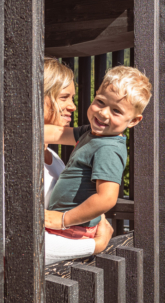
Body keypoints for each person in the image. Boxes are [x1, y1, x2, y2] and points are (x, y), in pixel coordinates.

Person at [43, 66, 152, 237]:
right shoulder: (91, 133)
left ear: (133, 121)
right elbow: (56, 133)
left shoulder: (108, 148)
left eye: (116, 111)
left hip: (72, 227)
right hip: (67, 224)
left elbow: (106, 198)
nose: (103, 113)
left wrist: (64, 219)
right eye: (100, 102)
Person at [43, 57, 114, 265]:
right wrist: (95, 245)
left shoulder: (53, 158)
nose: (72, 107)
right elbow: (18, 243)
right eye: (64, 97)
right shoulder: (10, 163)